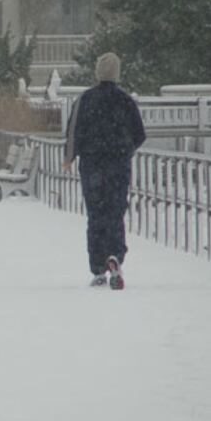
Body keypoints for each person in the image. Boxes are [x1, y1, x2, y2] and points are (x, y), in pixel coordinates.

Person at [62, 52, 146, 290]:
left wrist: (69, 158)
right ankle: (115, 255)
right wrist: (124, 150)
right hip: (118, 167)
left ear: (98, 73)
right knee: (116, 212)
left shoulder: (86, 100)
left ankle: (98, 266)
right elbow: (140, 134)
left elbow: (73, 132)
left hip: (92, 167)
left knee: (96, 215)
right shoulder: (126, 101)